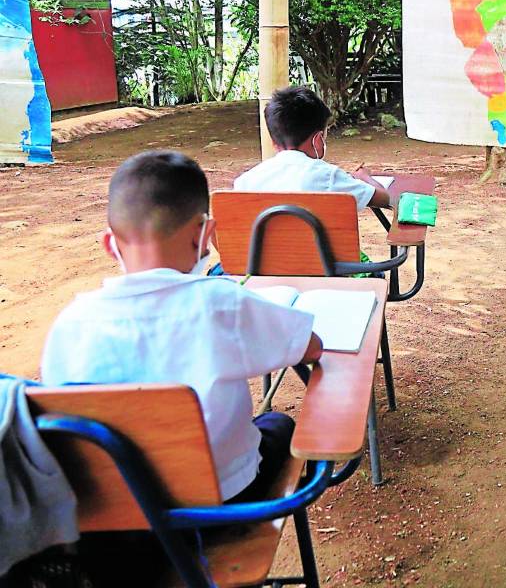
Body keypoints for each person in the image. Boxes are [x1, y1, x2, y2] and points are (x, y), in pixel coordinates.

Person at [41, 151, 323, 503]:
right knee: (279, 425)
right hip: (218, 503)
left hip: (111, 512)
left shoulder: (69, 324)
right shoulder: (222, 304)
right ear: (202, 237)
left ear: (111, 245)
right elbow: (311, 348)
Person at [235, 86, 390, 209]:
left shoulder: (245, 183)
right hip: (324, 251)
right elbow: (383, 198)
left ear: (273, 142)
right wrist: (364, 177)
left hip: (263, 250)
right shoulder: (328, 177)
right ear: (317, 140)